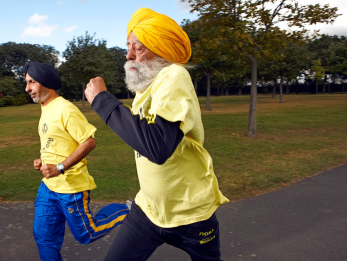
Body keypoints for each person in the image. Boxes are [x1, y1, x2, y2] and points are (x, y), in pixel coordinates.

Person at [84, 8, 229, 261]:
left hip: (191, 215)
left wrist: (103, 102)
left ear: (162, 50)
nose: (129, 56)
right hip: (148, 210)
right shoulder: (146, 89)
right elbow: (141, 134)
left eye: (138, 48)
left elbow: (158, 147)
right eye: (127, 47)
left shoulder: (174, 74)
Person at [24, 61, 129, 261]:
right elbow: (58, 143)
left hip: (70, 189)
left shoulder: (65, 109)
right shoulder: (46, 107)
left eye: (32, 82)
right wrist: (43, 160)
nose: (27, 88)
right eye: (27, 82)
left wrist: (60, 167)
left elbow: (88, 142)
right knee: (44, 237)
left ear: (45, 83)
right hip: (48, 188)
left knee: (87, 234)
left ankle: (127, 210)